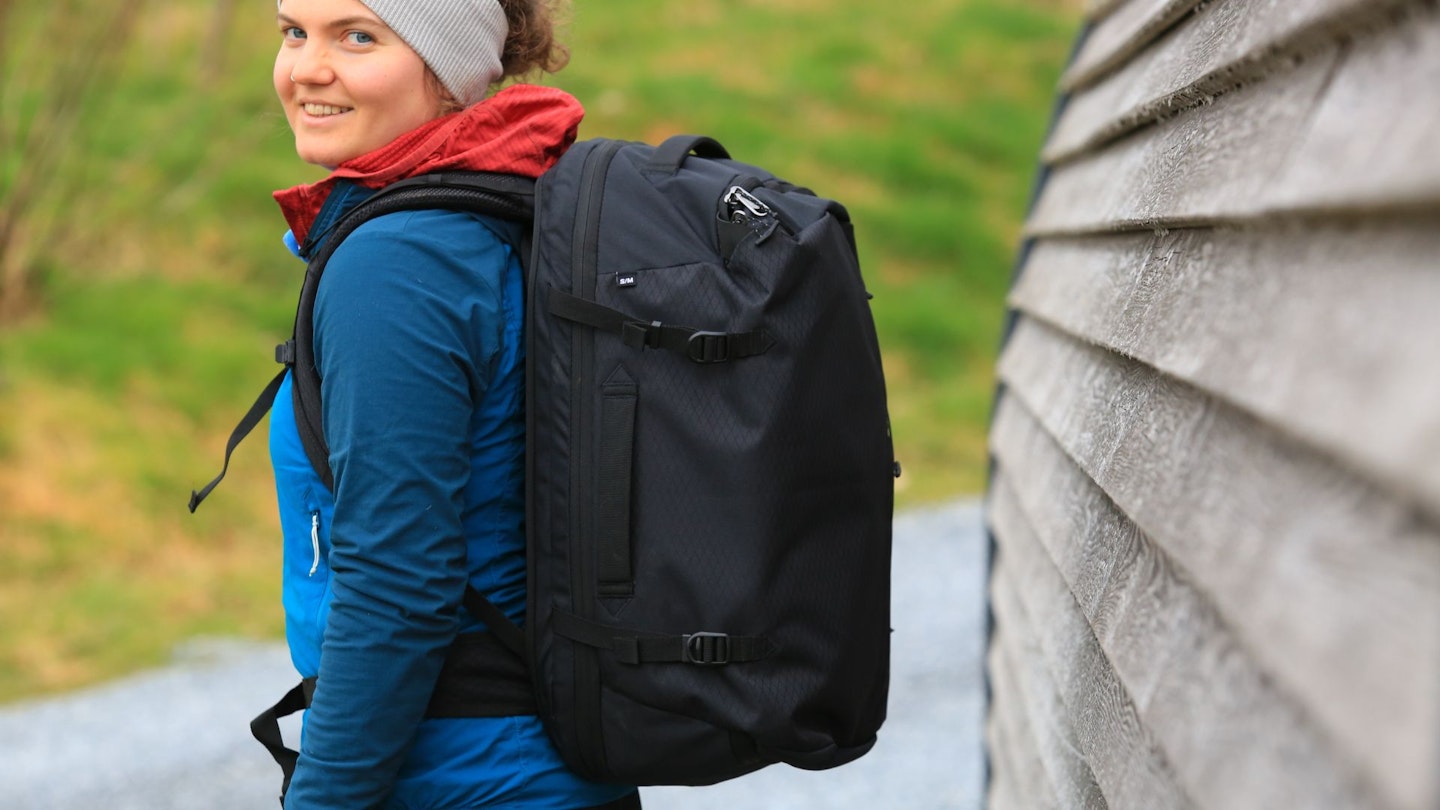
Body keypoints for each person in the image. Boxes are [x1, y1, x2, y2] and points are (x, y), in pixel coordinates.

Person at [266, 0, 640, 807]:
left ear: (449, 70)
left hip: (466, 778)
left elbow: (397, 585)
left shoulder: (400, 262)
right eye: (295, 31)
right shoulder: (509, 203)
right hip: (552, 766)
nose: (307, 69)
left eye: (357, 37)